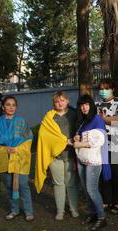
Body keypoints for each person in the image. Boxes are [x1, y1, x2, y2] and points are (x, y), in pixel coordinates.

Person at [0, 96, 34, 222]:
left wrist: (17, 149)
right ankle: (14, 210)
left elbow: (29, 139)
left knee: (23, 184)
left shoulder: (22, 122)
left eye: (13, 105)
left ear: (16, 107)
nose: (11, 107)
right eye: (8, 105)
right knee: (9, 185)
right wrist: (4, 149)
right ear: (3, 107)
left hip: (19, 157)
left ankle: (29, 211)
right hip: (4, 158)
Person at [35, 91, 79, 220]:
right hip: (55, 156)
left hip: (70, 155)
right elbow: (44, 135)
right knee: (58, 183)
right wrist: (63, 141)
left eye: (62, 100)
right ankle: (60, 211)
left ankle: (74, 208)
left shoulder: (74, 115)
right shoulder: (49, 117)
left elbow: (81, 129)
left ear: (67, 101)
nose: (60, 103)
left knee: (71, 183)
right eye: (57, 101)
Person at [73, 94, 111, 231]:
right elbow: (82, 139)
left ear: (91, 105)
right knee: (86, 189)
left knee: (92, 189)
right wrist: (75, 138)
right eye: (82, 105)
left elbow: (98, 141)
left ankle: (102, 218)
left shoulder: (97, 119)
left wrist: (80, 144)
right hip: (82, 160)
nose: (84, 107)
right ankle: (93, 213)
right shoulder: (83, 122)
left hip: (94, 161)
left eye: (86, 104)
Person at [95, 78, 118, 214]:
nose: (103, 91)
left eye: (106, 88)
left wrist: (104, 119)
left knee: (117, 173)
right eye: (101, 89)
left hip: (116, 143)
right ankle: (106, 199)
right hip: (100, 145)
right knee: (104, 172)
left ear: (113, 89)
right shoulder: (96, 104)